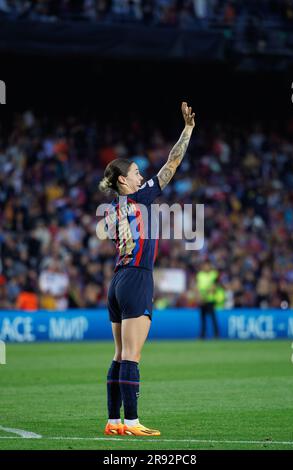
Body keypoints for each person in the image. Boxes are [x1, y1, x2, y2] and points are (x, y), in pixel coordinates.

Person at [98, 102, 195, 437]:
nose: (143, 175)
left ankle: (113, 421)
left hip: (117, 282)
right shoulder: (140, 200)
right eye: (137, 172)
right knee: (133, 357)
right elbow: (172, 164)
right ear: (124, 180)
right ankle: (133, 422)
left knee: (119, 354)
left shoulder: (112, 209)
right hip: (137, 278)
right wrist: (188, 130)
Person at [196, 260, 220, 339]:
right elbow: (198, 287)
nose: (206, 267)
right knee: (203, 319)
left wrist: (205, 294)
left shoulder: (213, 274)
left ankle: (216, 335)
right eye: (205, 265)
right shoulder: (200, 275)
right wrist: (199, 297)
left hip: (210, 300)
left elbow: (214, 287)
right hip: (202, 300)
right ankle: (202, 335)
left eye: (207, 265)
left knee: (213, 318)